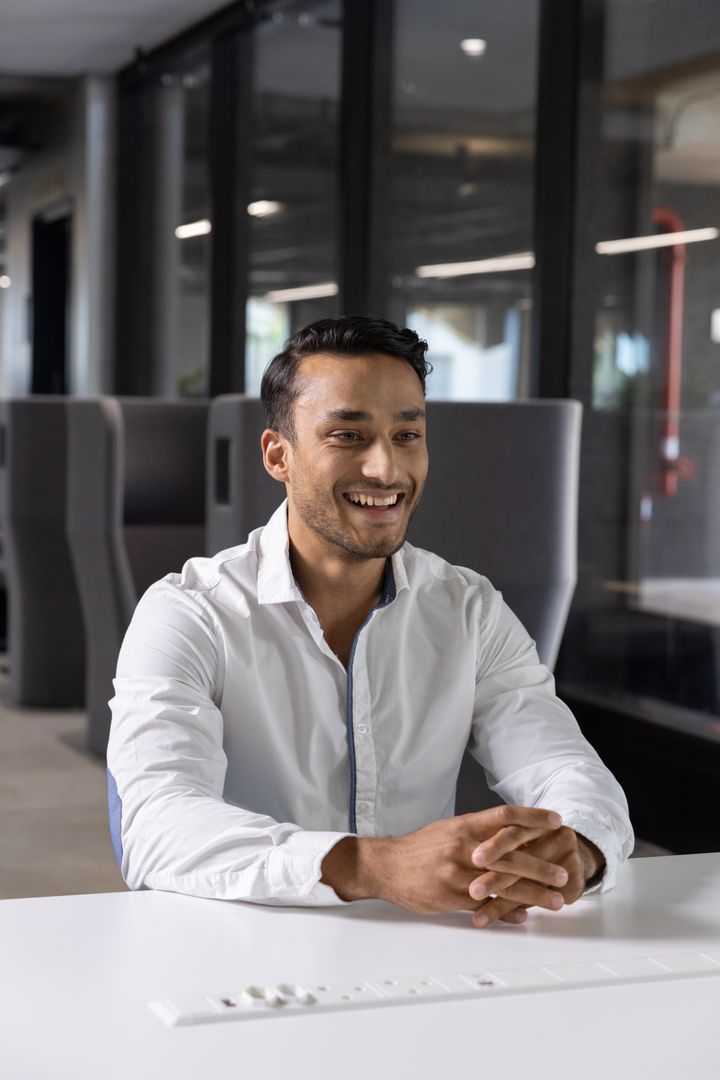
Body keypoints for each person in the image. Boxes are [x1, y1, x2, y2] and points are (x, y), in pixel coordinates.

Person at [107, 316, 633, 929]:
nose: (386, 469)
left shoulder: (469, 607)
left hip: (419, 952)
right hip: (236, 951)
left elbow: (563, 766)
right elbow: (157, 825)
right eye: (347, 435)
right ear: (279, 454)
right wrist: (373, 866)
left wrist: (574, 847)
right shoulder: (188, 613)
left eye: (407, 434)